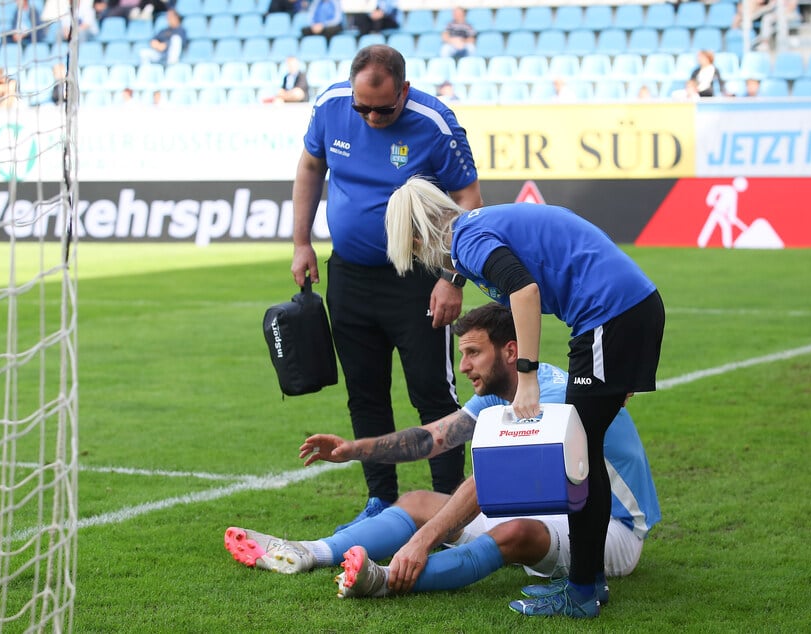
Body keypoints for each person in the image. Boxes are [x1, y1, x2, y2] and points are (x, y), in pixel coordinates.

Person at [225, 303, 660, 608]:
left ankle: (382, 582)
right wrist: (353, 450)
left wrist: (422, 542)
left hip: (611, 530)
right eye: (462, 353)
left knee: (514, 533)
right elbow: (434, 438)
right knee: (416, 501)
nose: (465, 365)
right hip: (556, 510)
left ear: (511, 351)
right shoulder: (505, 388)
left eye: (473, 353)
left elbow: (492, 482)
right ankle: (309, 552)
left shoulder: (548, 395)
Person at [383, 177, 665, 618]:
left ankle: (581, 591)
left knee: (579, 458)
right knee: (584, 452)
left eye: (415, 251)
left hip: (610, 316)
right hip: (618, 313)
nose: (425, 261)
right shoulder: (478, 228)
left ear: (418, 236)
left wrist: (527, 375)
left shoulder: (469, 239)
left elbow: (524, 290)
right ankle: (588, 583)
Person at [290, 45, 483, 531]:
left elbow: (470, 199)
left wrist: (451, 276)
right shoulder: (331, 106)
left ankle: (445, 509)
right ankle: (380, 501)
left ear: (405, 90)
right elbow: (311, 166)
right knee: (365, 392)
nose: (372, 116)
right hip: (349, 277)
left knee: (432, 393)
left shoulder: (434, 123)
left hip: (418, 281)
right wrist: (301, 243)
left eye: (384, 107)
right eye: (364, 107)